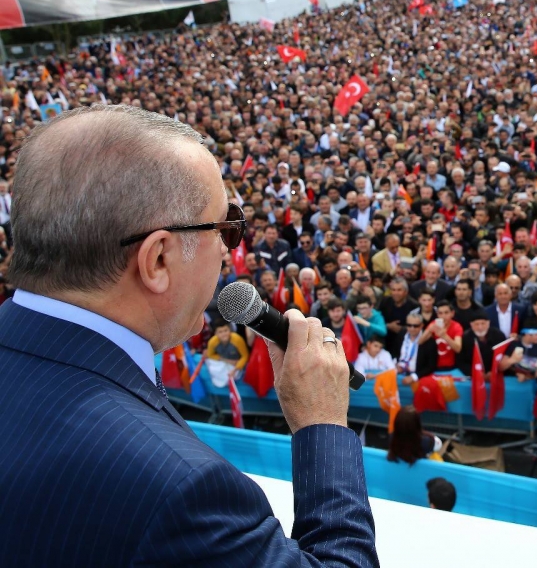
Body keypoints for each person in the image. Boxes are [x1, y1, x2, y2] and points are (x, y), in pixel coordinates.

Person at [0, 105, 376, 565]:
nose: (226, 247)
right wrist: (323, 425)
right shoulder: (180, 488)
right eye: (226, 226)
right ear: (157, 259)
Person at [396, 313, 438, 385]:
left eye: (416, 326)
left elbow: (431, 366)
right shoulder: (401, 334)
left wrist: (414, 376)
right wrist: (396, 365)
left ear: (422, 325)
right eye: (409, 325)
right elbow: (395, 352)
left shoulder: (429, 340)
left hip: (418, 375)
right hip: (399, 372)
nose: (412, 328)